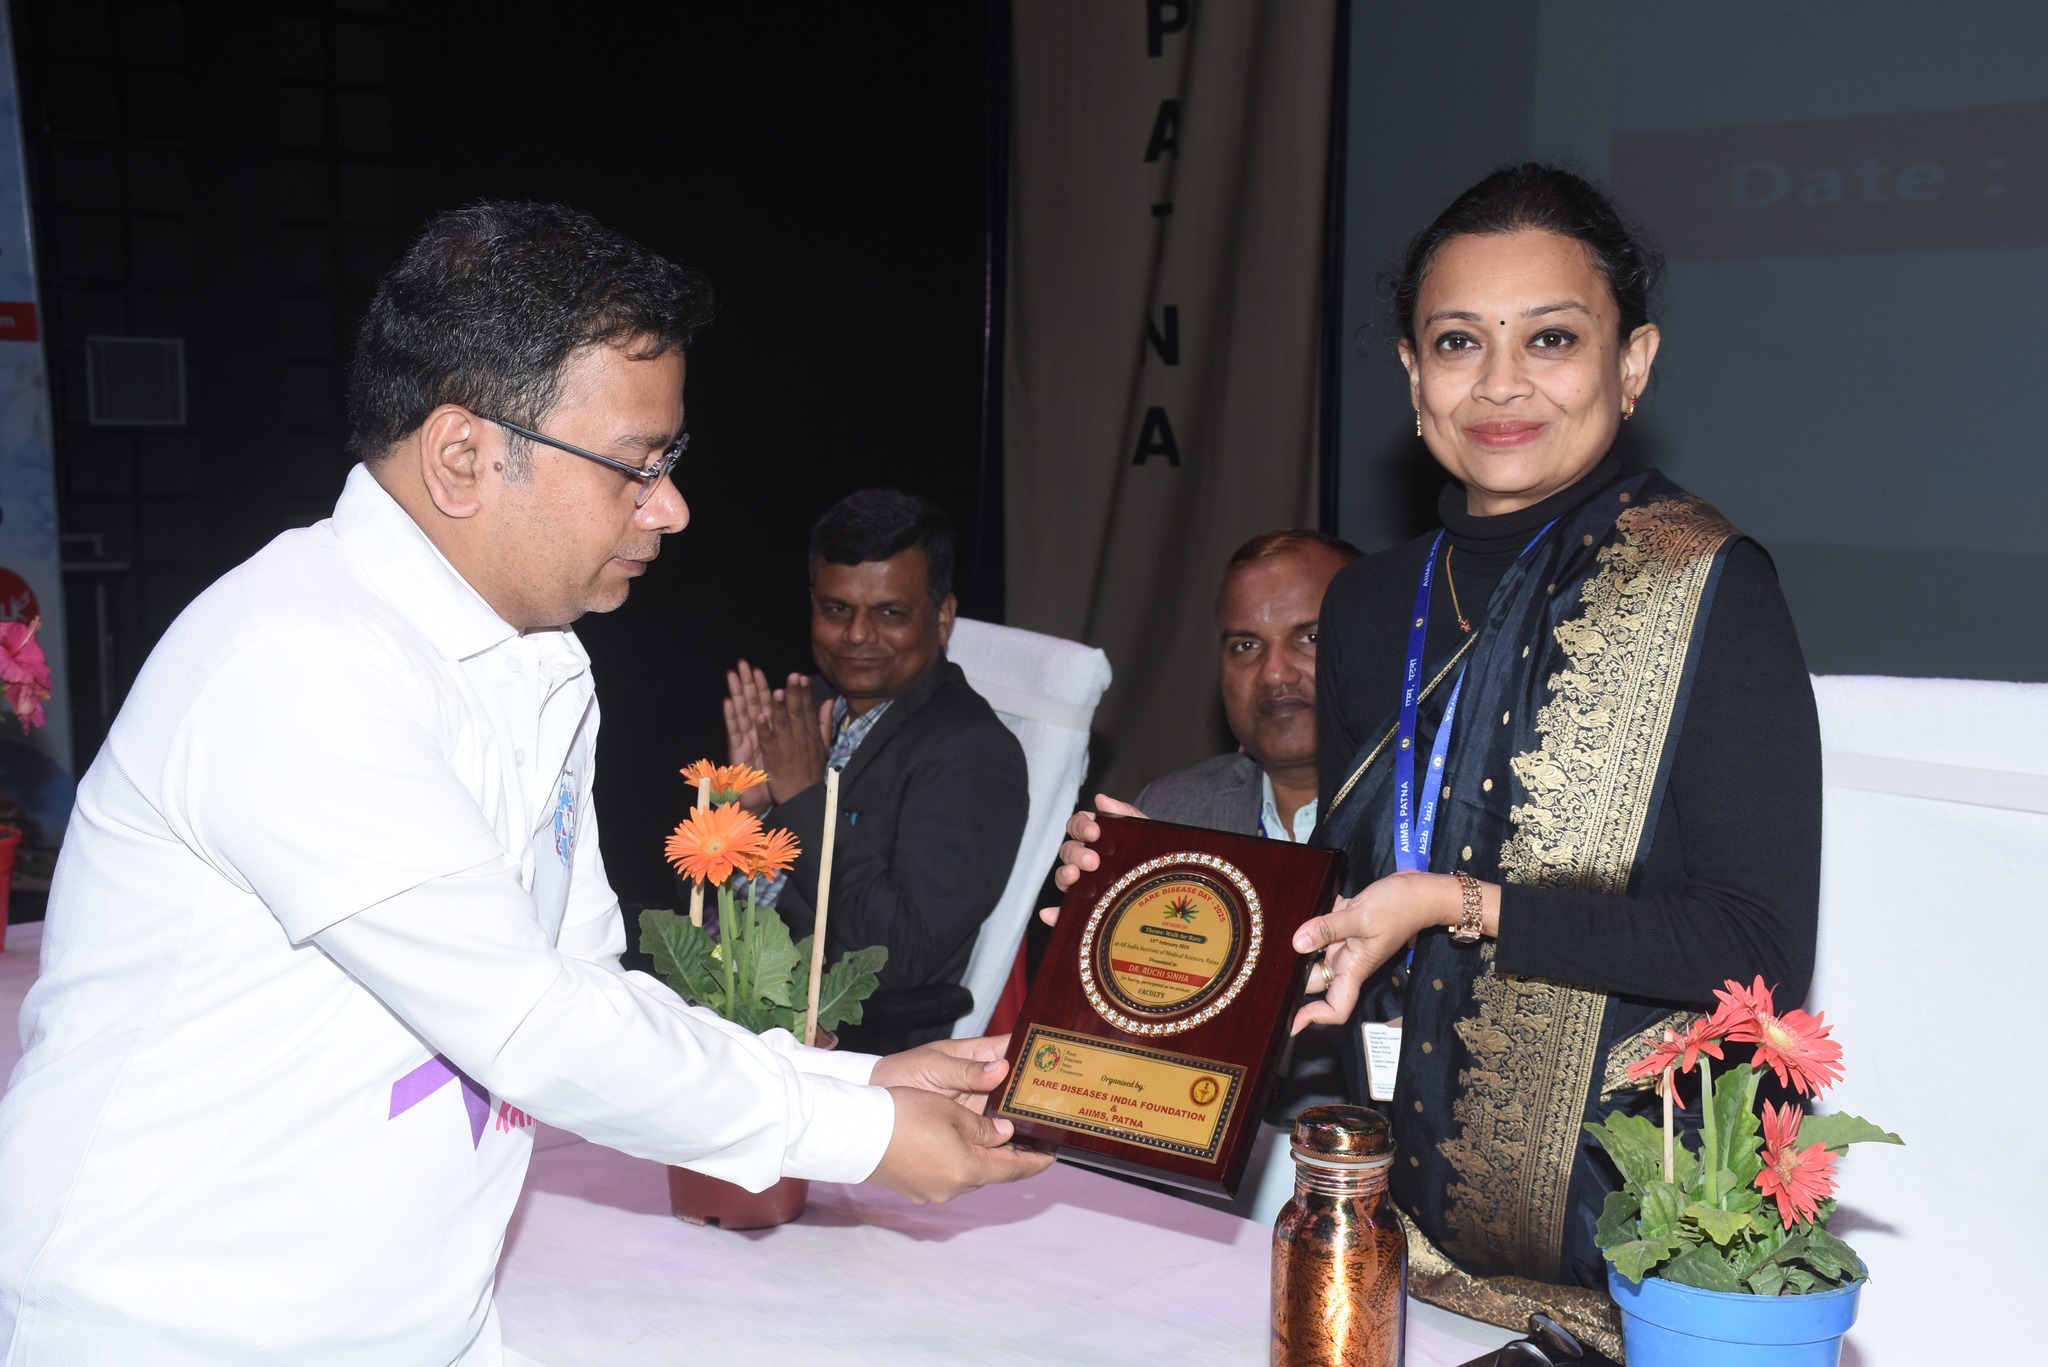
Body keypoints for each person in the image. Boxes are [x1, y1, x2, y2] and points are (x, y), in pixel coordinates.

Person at [0, 203, 1049, 1364]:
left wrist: (848, 1073)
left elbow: (583, 984)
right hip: (172, 1325)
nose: (671, 507)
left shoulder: (537, 662)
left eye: (671, 461)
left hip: (409, 1319)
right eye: (636, 467)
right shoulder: (297, 658)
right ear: (462, 456)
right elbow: (533, 1025)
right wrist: (856, 1129)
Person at [1058, 164, 1819, 1355]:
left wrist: (1463, 905)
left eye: (1551, 338)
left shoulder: (1708, 587)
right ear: (1413, 377)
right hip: (1391, 1245)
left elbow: (1751, 948)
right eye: (1457, 341)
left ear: (1631, 362)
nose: (1500, 382)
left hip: (1634, 1281)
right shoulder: (1368, 602)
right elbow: (1350, 892)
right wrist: (1148, 891)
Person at [721, 490, 1028, 1053]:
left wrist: (804, 798)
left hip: (849, 1054)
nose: (858, 635)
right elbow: (695, 908)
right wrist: (737, 813)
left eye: (890, 613)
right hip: (721, 1008)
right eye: (837, 609)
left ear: (942, 617)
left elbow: (899, 955)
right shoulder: (800, 707)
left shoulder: (974, 754)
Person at [1134, 528, 1360, 840]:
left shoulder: (1438, 810)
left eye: (1311, 638)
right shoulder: (1168, 812)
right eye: (1246, 646)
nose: (1274, 674)